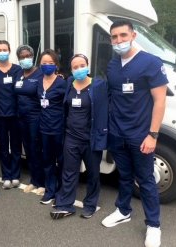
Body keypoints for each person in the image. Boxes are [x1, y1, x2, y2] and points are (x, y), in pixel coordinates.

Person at [101, 20, 168, 247]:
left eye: (122, 35)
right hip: (117, 133)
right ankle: (123, 210)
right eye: (114, 37)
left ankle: (153, 225)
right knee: (125, 176)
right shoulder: (112, 65)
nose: (118, 41)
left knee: (146, 180)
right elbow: (112, 97)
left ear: (133, 35)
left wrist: (153, 135)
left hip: (141, 135)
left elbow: (160, 101)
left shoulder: (151, 63)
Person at [50, 54, 108, 219]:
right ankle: (65, 205)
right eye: (75, 67)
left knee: (93, 173)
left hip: (90, 139)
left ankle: (90, 204)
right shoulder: (69, 83)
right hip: (71, 138)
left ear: (88, 66)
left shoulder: (98, 85)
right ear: (71, 69)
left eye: (82, 65)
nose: (78, 69)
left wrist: (103, 135)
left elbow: (105, 109)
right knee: (69, 172)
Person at [0, 40, 23, 189]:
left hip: (15, 114)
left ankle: (15, 175)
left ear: (9, 51)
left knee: (15, 147)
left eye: (5, 49)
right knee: (3, 147)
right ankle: (6, 176)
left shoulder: (17, 69)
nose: (2, 52)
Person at [14, 45, 45, 195]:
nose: (25, 59)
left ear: (32, 57)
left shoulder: (40, 73)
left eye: (28, 56)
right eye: (22, 57)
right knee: (28, 150)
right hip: (21, 118)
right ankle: (34, 181)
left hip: (35, 118)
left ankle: (42, 183)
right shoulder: (18, 74)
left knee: (36, 149)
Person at [37, 49, 66, 204]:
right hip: (44, 129)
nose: (47, 66)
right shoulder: (38, 80)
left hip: (59, 129)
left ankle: (61, 191)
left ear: (56, 65)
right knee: (47, 161)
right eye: (44, 63)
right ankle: (50, 190)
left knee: (61, 161)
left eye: (50, 63)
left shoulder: (62, 82)